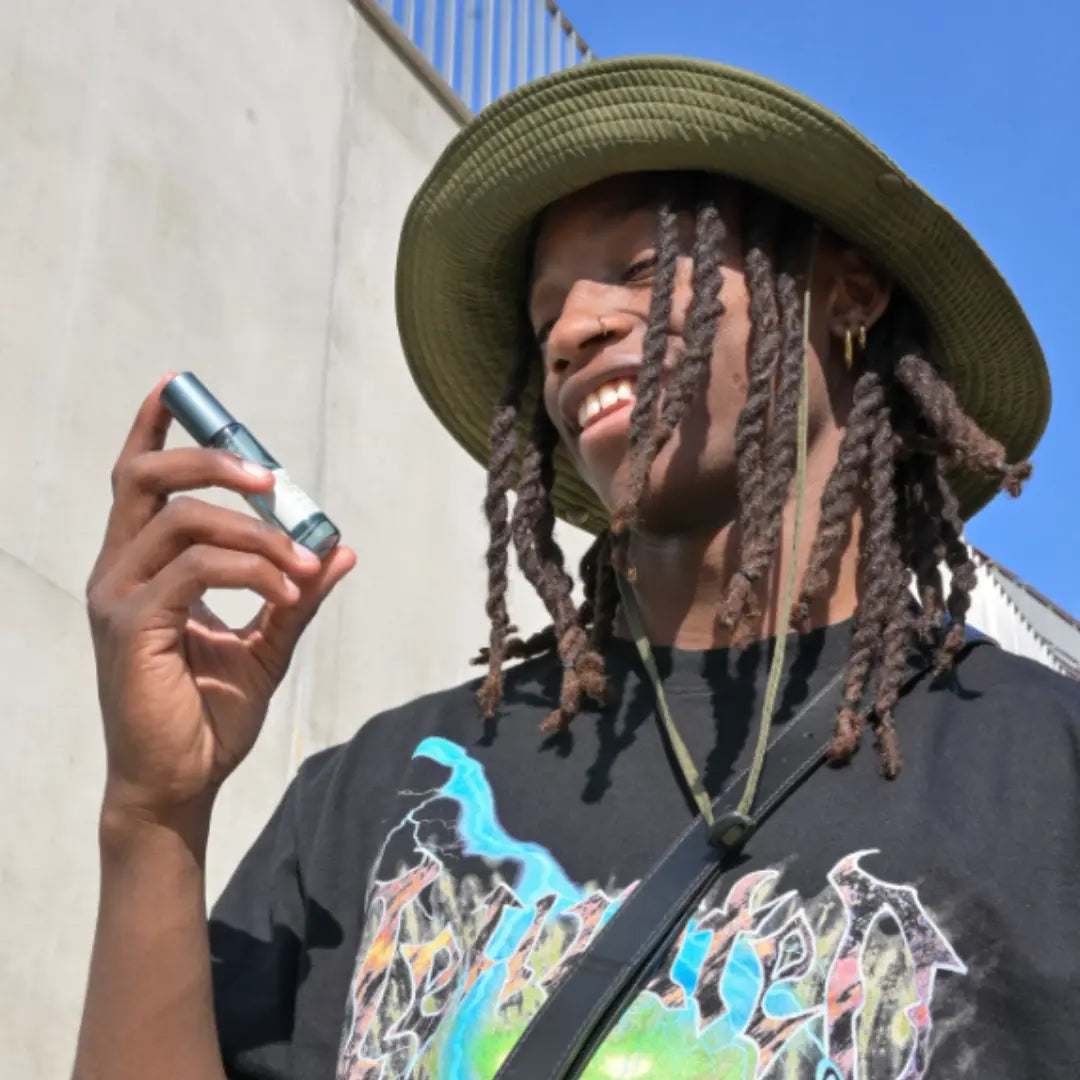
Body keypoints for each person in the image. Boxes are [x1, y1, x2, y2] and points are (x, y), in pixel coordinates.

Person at [72, 56, 1078, 1080]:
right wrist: (153, 817)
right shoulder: (384, 791)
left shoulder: (1046, 769)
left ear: (850, 290)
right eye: (545, 316)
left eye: (642, 269)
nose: (573, 331)